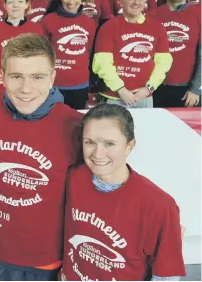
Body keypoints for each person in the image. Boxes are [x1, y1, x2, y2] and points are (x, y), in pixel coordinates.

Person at [0, 33, 81, 281]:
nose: (26, 88)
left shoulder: (75, 126)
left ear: (53, 76)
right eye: (16, 76)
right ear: (1, 76)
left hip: (43, 262)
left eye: (38, 77)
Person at [60, 103, 186, 281]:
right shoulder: (73, 178)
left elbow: (166, 275)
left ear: (129, 146)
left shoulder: (159, 206)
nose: (98, 153)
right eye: (90, 142)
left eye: (109, 143)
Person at [93, 0, 173, 108]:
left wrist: (148, 89)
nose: (136, 2)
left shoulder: (157, 27)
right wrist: (120, 89)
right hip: (114, 97)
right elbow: (102, 63)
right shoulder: (108, 27)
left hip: (144, 96)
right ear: (121, 2)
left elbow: (163, 63)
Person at [41, 0, 96, 110]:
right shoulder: (48, 21)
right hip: (52, 85)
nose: (71, 2)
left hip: (79, 85)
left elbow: (88, 52)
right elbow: (41, 53)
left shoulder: (89, 23)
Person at [149, 0, 201, 108]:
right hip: (154, 87)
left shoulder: (199, 15)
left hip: (187, 91)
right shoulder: (152, 16)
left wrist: (196, 89)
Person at [0, 0, 45, 96]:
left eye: (20, 1)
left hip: (27, 89)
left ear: (26, 4)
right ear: (5, 5)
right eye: (11, 2)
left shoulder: (37, 30)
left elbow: (41, 63)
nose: (15, 5)